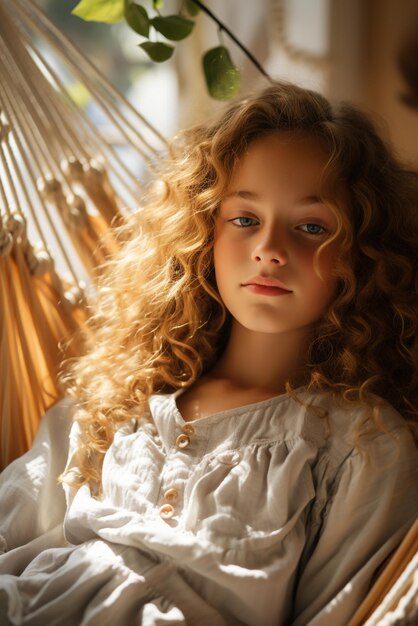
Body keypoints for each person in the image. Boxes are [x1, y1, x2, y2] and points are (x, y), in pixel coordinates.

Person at [0, 81, 417, 626]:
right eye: (244, 219)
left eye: (311, 227)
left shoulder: (358, 443)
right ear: (202, 234)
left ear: (363, 255)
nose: (269, 248)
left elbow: (344, 611)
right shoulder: (117, 404)